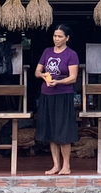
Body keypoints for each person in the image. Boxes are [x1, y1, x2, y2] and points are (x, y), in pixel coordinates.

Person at [34, 25, 81, 176]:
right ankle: (55, 165)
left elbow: (73, 77)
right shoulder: (47, 52)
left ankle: (66, 166)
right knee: (50, 130)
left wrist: (58, 82)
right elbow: (37, 71)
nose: (57, 39)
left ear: (67, 38)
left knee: (63, 130)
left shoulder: (71, 54)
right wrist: (43, 76)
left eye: (60, 36)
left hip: (63, 94)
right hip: (47, 94)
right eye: (55, 36)